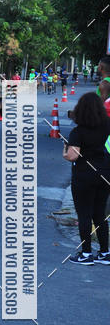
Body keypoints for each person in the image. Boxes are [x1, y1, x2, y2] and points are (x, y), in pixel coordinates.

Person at [62, 92, 110, 265]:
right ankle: (105, 252)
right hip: (104, 172)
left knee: (84, 214)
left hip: (84, 175)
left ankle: (86, 253)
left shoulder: (78, 132)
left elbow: (72, 156)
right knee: (99, 214)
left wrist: (64, 150)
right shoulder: (107, 126)